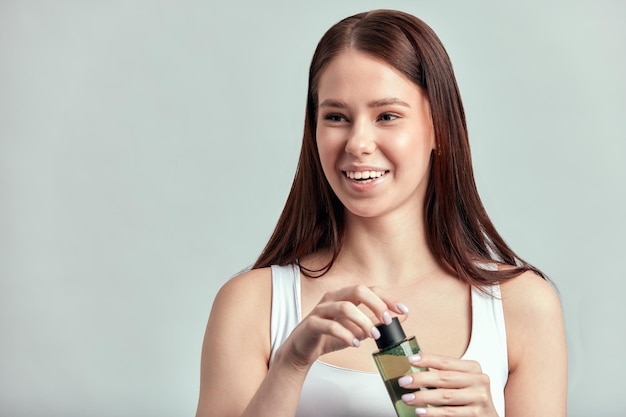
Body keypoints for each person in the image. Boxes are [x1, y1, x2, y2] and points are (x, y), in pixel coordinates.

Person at [195, 9, 567, 417]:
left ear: (439, 128)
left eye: (387, 116)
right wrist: (291, 364)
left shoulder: (522, 305)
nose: (358, 143)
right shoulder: (252, 304)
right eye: (336, 117)